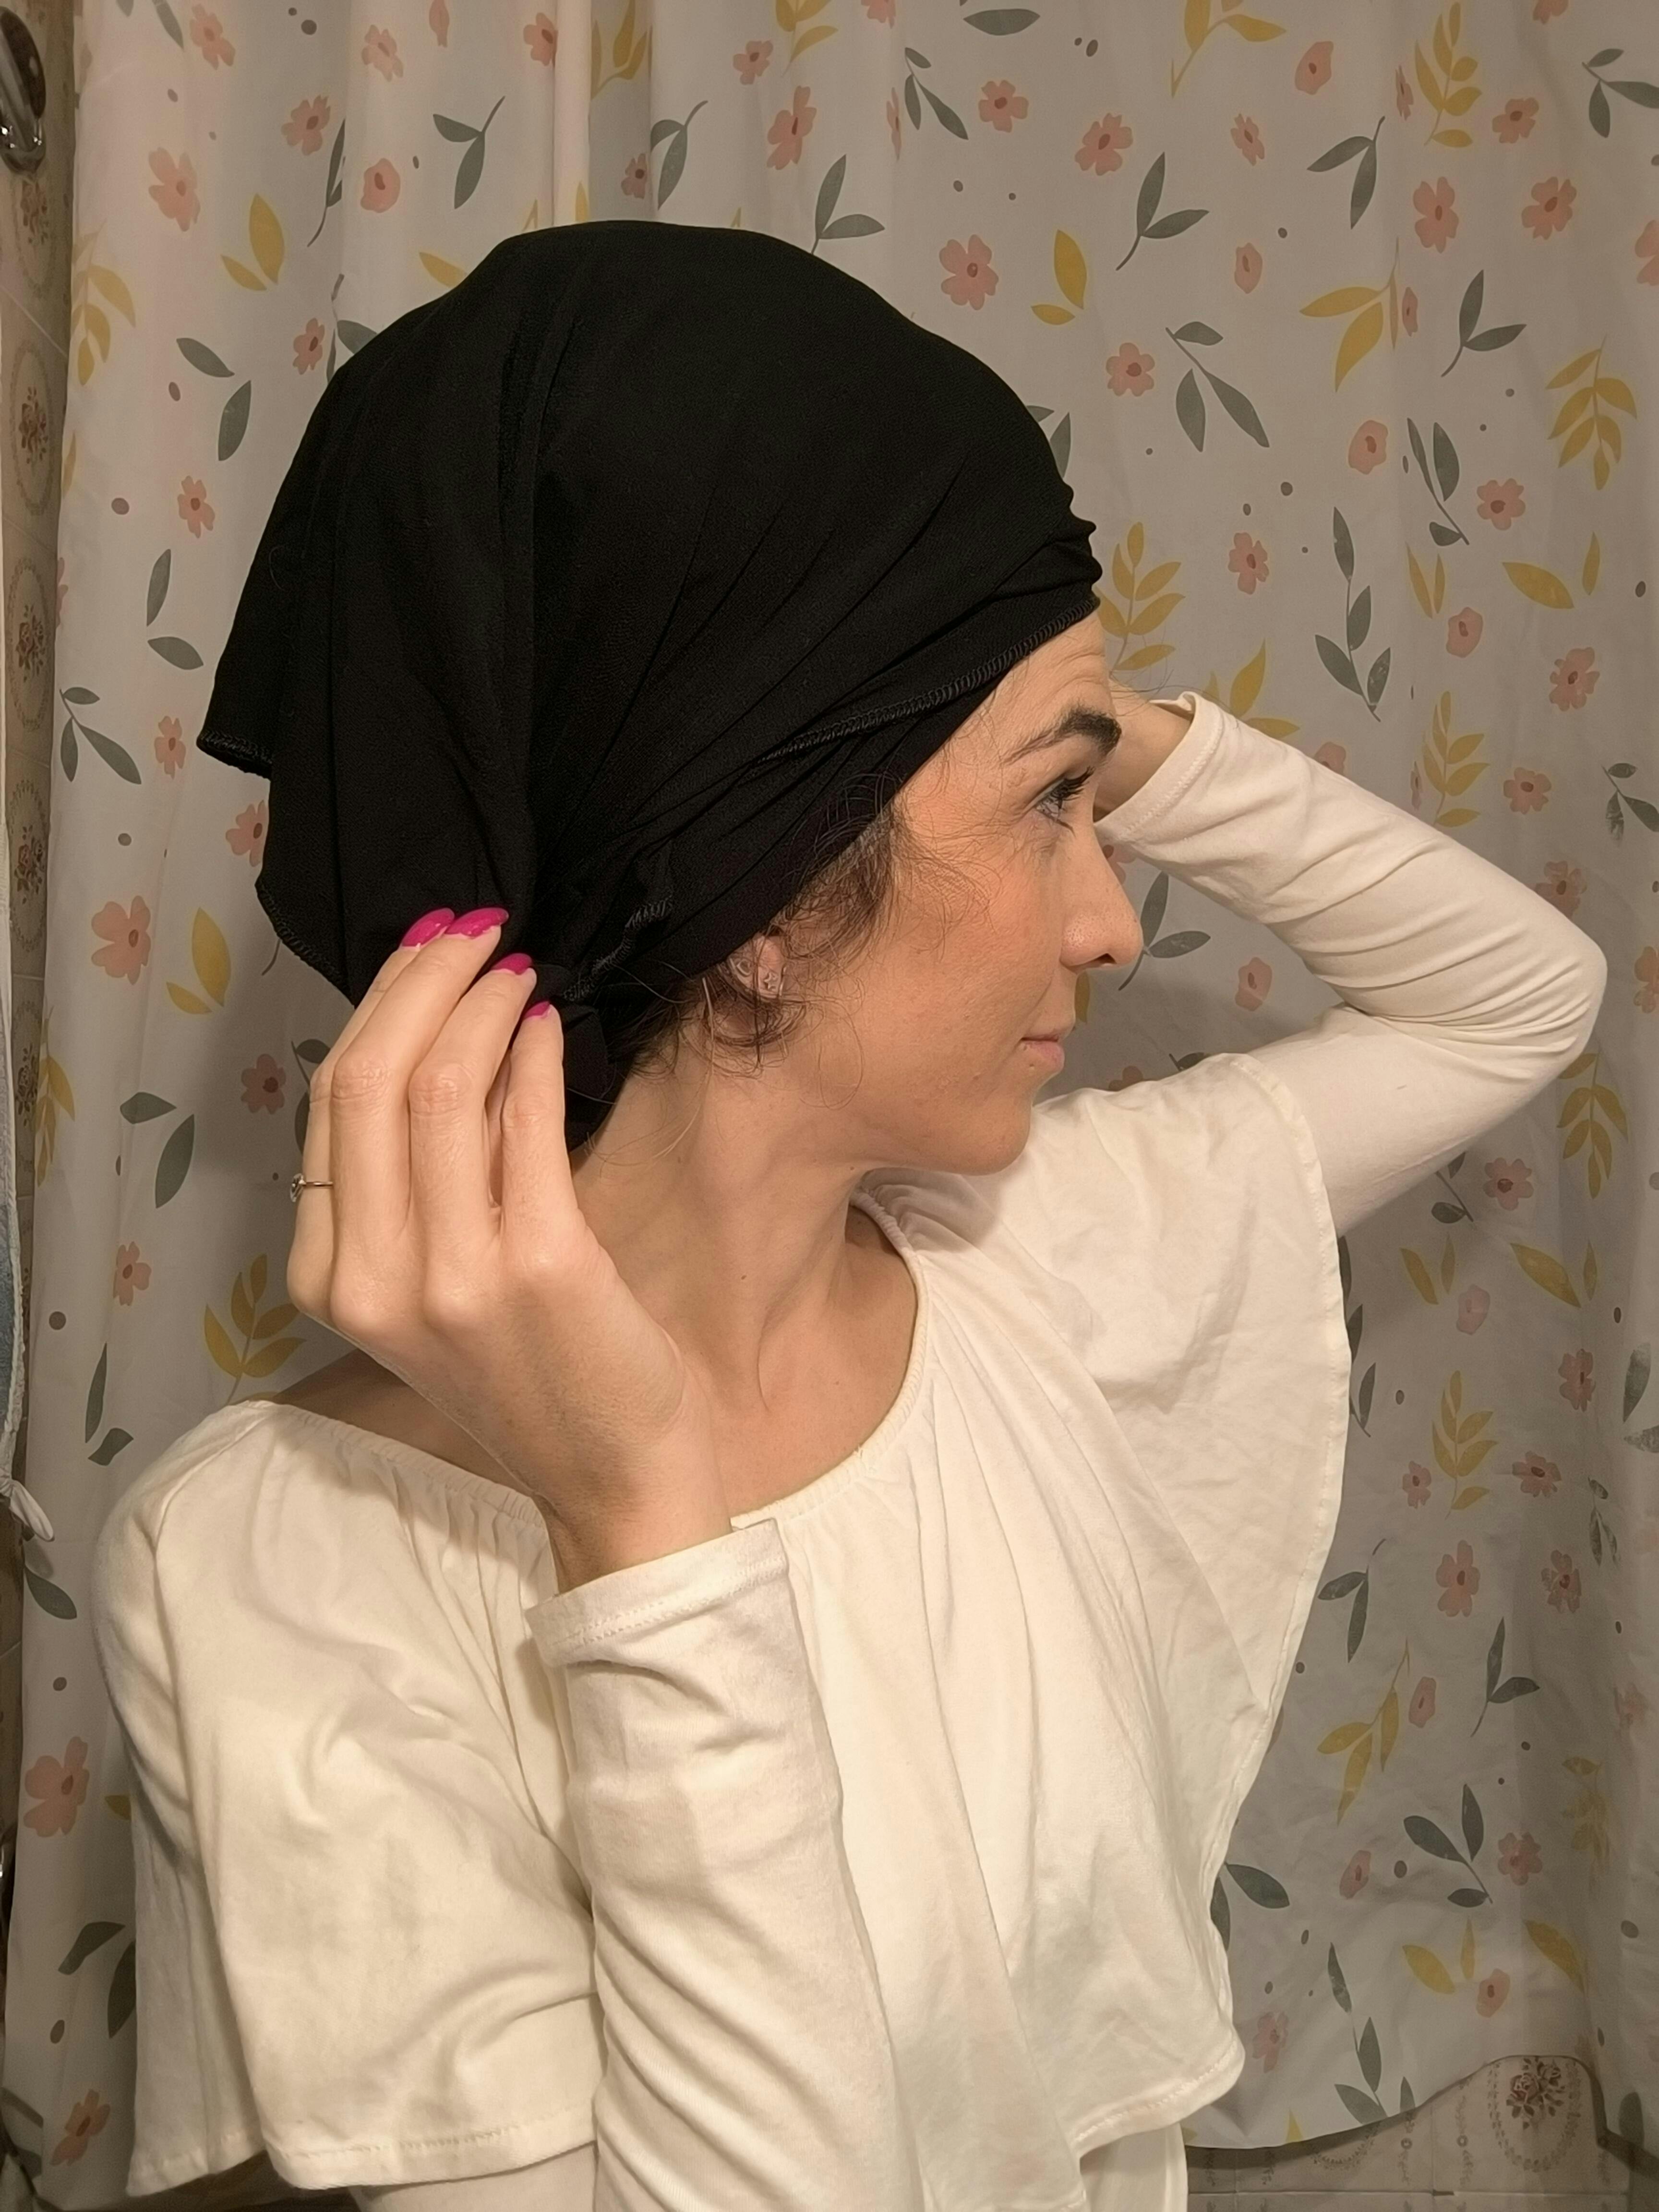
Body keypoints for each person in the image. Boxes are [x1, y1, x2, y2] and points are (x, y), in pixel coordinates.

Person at [89, 222, 1607, 2212]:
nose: (1115, 919)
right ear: (766, 900)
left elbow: (1517, 1000)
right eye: (1052, 808)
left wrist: (1082, 717)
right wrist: (642, 1528)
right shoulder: (290, 1571)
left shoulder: (1040, 1261)